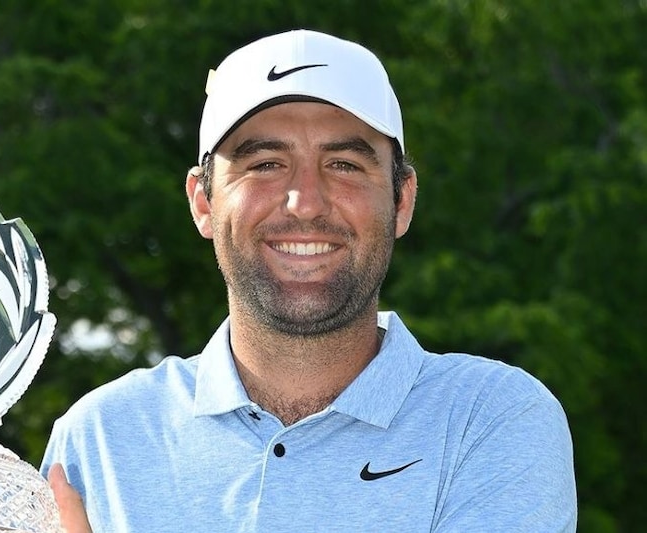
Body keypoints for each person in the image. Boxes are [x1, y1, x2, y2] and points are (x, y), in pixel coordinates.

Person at [40, 29, 577, 532]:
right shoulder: (99, 437)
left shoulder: (492, 418)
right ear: (203, 202)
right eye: (265, 164)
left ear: (402, 201)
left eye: (344, 164)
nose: (305, 203)